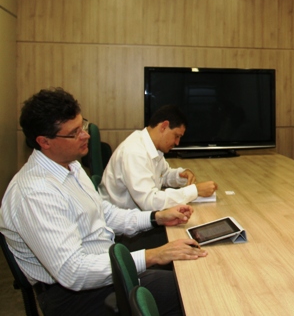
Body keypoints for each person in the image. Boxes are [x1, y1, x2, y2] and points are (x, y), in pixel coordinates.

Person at [0, 88, 207, 316]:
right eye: (74, 133)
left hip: (103, 263)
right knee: (193, 288)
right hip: (73, 295)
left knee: (191, 267)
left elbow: (103, 213)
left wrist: (155, 217)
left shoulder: (71, 166)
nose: (86, 136)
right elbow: (73, 272)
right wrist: (152, 255)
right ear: (45, 142)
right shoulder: (34, 193)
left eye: (83, 126)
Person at [99, 104, 217, 211]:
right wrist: (195, 191)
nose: (177, 142)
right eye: (176, 136)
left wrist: (181, 176)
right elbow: (149, 202)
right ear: (164, 126)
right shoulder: (135, 152)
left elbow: (163, 175)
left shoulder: (152, 146)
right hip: (123, 227)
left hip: (137, 218)